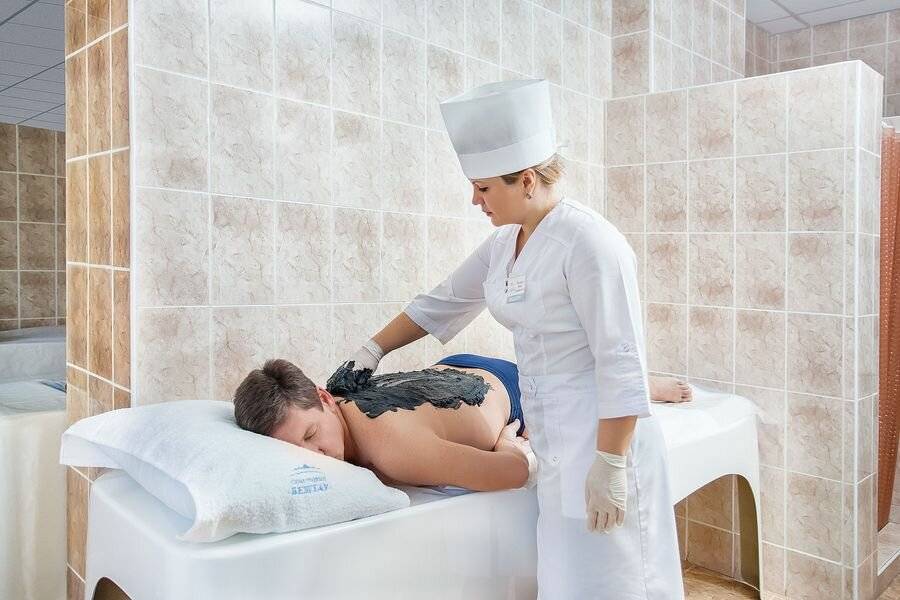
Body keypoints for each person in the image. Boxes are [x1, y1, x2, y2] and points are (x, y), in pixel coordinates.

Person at [342, 79, 684, 598]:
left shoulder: (591, 244)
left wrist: (612, 463)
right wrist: (372, 350)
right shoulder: (504, 244)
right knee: (568, 582)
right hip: (555, 440)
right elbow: (441, 301)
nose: (474, 199)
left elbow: (620, 360)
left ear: (525, 180)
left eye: (483, 188)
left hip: (607, 438)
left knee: (619, 580)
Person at [232, 354, 693, 493]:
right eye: (296, 449)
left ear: (324, 399)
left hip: (506, 387)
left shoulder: (393, 449)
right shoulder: (337, 403)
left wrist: (508, 441)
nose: (315, 457)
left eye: (312, 435)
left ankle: (642, 384)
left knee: (577, 385)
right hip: (451, 370)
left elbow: (512, 473)